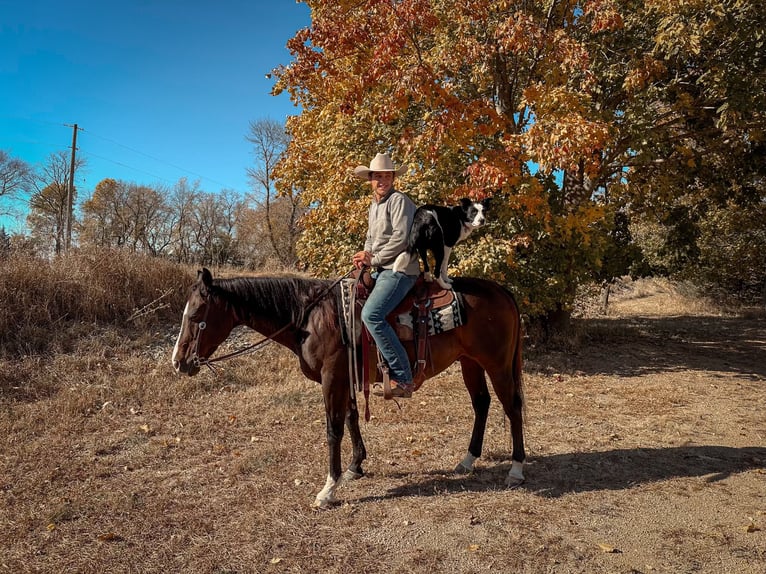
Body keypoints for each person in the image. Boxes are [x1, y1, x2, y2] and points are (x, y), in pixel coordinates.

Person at [352, 152, 421, 398]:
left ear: (393, 177)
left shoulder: (399, 201)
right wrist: (364, 254)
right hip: (381, 268)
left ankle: (403, 378)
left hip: (400, 269)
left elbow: (401, 239)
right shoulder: (374, 205)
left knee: (371, 315)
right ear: (370, 179)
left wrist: (375, 259)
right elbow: (372, 238)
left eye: (387, 175)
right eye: (377, 176)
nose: (382, 180)